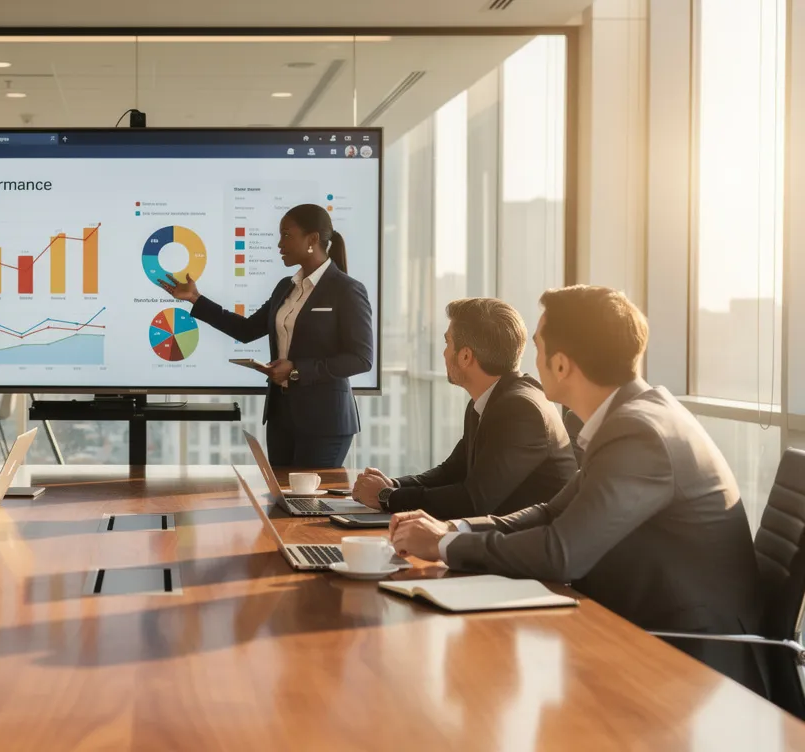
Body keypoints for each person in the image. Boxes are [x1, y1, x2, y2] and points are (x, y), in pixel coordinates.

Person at [389, 285, 764, 691]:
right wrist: (454, 531)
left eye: (538, 345)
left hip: (689, 655)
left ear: (562, 365)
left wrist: (445, 548)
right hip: (643, 622)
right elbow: (551, 511)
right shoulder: (631, 416)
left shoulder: (640, 432)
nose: (529, 360)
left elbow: (562, 552)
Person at [159, 203, 373, 467]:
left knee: (309, 505)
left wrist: (296, 370)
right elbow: (247, 330)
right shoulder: (286, 287)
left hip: (325, 422)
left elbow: (361, 359)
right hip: (281, 416)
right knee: (280, 500)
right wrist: (195, 298)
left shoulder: (346, 290)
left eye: (286, 235)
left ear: (313, 239)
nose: (279, 244)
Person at [352, 298, 576, 519]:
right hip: (498, 539)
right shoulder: (489, 400)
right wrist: (393, 485)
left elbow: (473, 501)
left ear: (466, 356)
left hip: (528, 547)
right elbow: (452, 472)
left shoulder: (520, 409)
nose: (444, 353)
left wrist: (386, 497)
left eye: (448, 342)